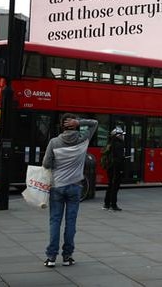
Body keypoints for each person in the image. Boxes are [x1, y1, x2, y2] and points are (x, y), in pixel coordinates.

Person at [42, 113, 98, 268]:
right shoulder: (83, 139)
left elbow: (46, 164)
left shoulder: (54, 142)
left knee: (55, 222)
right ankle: (67, 257)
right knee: (71, 223)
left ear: (62, 126)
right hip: (75, 186)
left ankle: (51, 257)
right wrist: (79, 122)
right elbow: (94, 122)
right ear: (74, 125)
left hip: (57, 187)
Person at [102, 126, 125, 212]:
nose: (122, 136)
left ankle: (106, 204)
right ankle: (113, 205)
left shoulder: (109, 143)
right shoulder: (119, 144)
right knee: (115, 187)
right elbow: (119, 159)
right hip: (116, 168)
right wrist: (121, 169)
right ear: (117, 135)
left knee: (110, 185)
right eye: (121, 135)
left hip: (110, 167)